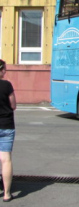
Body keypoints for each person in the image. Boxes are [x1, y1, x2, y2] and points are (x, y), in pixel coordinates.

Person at [0, 60, 16, 202]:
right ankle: (7, 194)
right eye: (4, 69)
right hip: (6, 125)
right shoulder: (7, 85)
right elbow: (13, 105)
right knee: (6, 160)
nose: (5, 71)